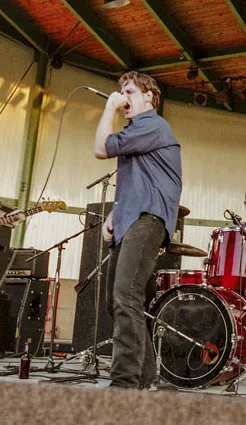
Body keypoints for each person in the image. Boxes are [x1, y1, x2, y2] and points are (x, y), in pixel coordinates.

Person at [94, 71, 182, 390]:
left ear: (149, 96)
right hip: (130, 217)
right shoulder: (137, 132)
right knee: (116, 301)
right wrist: (114, 214)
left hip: (150, 218)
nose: (123, 96)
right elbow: (137, 181)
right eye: (120, 91)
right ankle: (147, 377)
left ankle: (124, 383)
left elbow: (101, 148)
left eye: (129, 91)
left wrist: (109, 109)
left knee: (126, 294)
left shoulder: (153, 126)